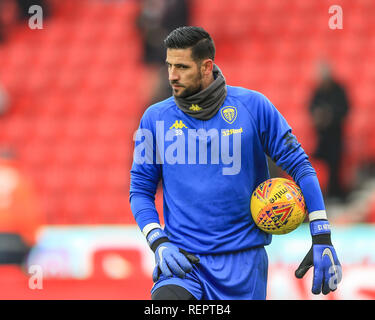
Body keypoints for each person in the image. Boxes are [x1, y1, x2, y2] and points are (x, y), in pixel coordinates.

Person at [129, 26, 342, 300]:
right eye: (169, 66)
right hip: (184, 264)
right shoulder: (154, 119)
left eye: (181, 67)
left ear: (207, 67)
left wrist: (321, 234)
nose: (172, 76)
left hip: (243, 267)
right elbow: (140, 191)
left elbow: (301, 166)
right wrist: (158, 241)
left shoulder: (254, 107)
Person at [309, 63, 350, 200]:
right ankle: (320, 193)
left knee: (335, 166)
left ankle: (335, 195)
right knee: (316, 164)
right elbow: (311, 109)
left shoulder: (338, 89)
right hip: (321, 137)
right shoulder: (318, 91)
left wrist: (329, 116)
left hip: (336, 136)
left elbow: (345, 109)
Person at [0, 148, 44, 269]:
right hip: (16, 239)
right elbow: (28, 212)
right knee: (16, 281)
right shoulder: (21, 181)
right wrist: (32, 239)